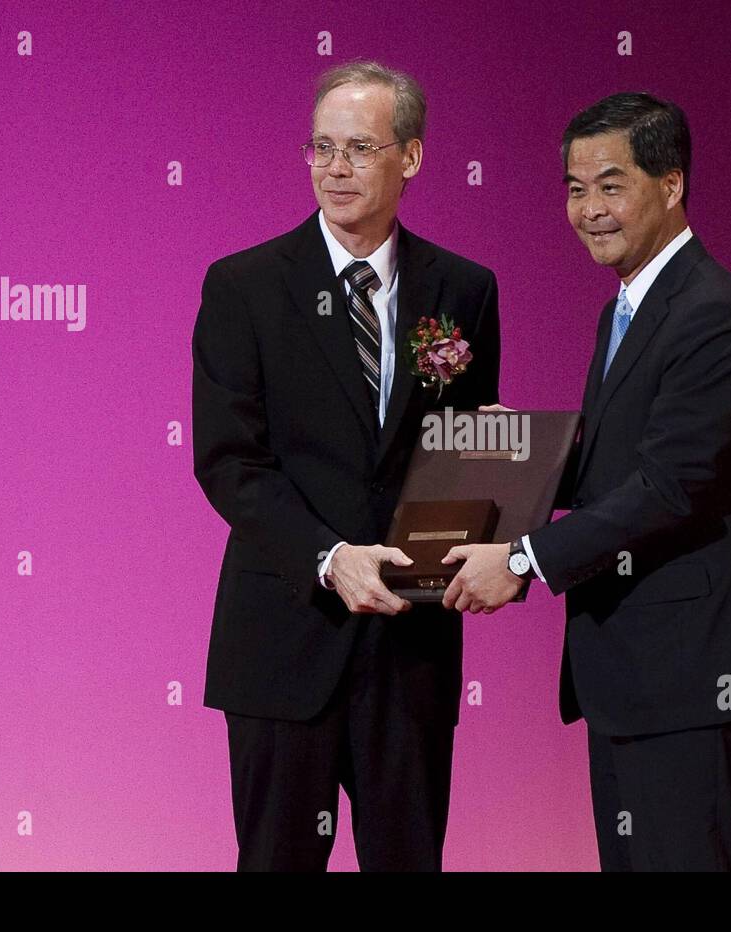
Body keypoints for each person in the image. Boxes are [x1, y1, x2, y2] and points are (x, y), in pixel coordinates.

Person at [441, 93, 731, 871]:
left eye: (611, 184)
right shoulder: (628, 306)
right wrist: (521, 455)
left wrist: (523, 559)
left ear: (671, 184)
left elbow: (669, 486)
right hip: (631, 672)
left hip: (692, 676)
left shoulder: (713, 314)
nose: (589, 209)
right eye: (573, 187)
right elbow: (626, 460)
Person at [191, 60, 500, 871]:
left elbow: (460, 455)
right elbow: (229, 462)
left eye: (361, 148)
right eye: (321, 147)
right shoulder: (245, 287)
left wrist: (501, 462)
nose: (335, 167)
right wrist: (330, 558)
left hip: (411, 648)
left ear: (413, 157)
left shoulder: (464, 289)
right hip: (286, 637)